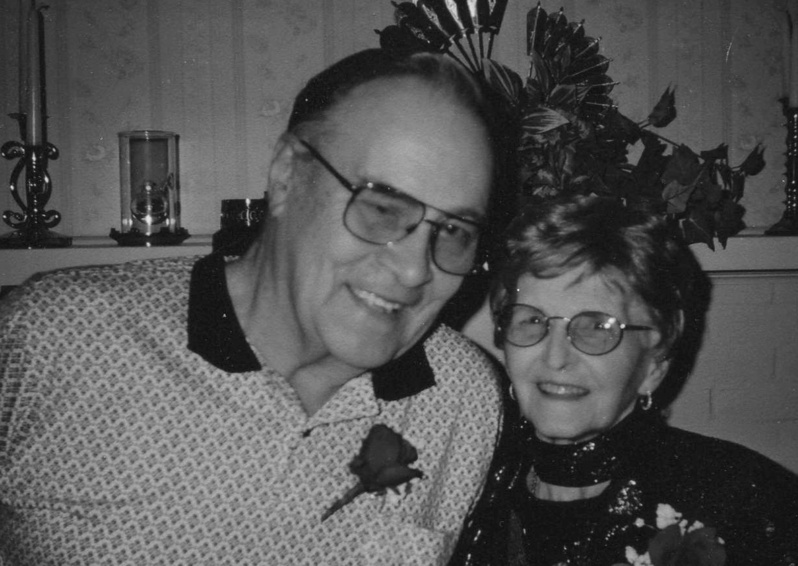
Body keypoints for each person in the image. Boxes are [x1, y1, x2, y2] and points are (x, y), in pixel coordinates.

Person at [0, 49, 505, 565]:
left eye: (454, 231)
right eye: (380, 208)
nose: (417, 269)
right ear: (287, 177)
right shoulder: (55, 337)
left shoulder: (462, 399)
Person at [449, 195, 798, 565]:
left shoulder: (740, 500)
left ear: (654, 361)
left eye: (597, 326)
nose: (554, 357)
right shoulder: (471, 483)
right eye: (532, 320)